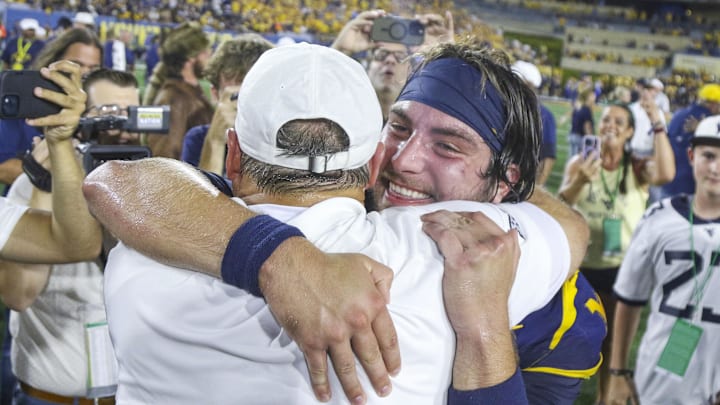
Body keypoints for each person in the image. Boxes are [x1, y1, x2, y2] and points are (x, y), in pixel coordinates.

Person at [90, 42, 575, 405]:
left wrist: (266, 251)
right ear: (374, 159)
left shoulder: (142, 248)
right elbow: (570, 226)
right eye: (399, 128)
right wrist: (277, 257)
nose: (405, 161)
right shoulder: (443, 259)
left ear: (233, 154)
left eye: (448, 146)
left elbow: (124, 183)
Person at [1, 68, 141, 405]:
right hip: (52, 396)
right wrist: (45, 185)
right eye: (109, 115)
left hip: (130, 395)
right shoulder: (33, 183)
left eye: (131, 114)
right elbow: (20, 294)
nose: (122, 129)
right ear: (79, 118)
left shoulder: (152, 185)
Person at [558, 103, 675, 404]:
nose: (610, 124)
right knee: (571, 339)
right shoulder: (579, 163)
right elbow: (559, 206)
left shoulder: (636, 166)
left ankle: (604, 397)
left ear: (630, 132)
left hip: (620, 271)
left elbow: (665, 173)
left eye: (619, 121)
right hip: (582, 269)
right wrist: (580, 180)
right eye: (606, 119)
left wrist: (657, 124)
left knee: (611, 344)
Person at [607, 114, 720, 405]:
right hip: (664, 366)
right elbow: (630, 299)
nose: (716, 168)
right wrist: (618, 372)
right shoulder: (659, 218)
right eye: (709, 156)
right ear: (692, 156)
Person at [0, 28, 102, 187]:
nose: (84, 73)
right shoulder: (27, 102)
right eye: (76, 64)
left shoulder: (103, 111)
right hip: (29, 207)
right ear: (53, 62)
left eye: (93, 68)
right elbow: (3, 168)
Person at [180, 35, 274, 174]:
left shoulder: (287, 140)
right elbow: (201, 196)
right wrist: (215, 141)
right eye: (237, 96)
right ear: (215, 95)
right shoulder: (199, 139)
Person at [143, 22, 214, 159]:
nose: (209, 57)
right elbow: (164, 158)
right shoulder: (174, 99)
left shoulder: (189, 92)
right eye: (205, 52)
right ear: (190, 58)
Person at [653, 84, 720, 202]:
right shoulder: (713, 122)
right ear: (713, 103)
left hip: (670, 181)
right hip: (694, 186)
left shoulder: (679, 114)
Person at [512, 60, 556, 186]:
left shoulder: (543, 115)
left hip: (524, 186)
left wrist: (534, 190)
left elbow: (547, 158)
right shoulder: (508, 108)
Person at [568, 87, 596, 157]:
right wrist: (591, 140)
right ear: (588, 97)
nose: (594, 97)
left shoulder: (580, 107)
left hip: (573, 135)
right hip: (580, 138)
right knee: (578, 160)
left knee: (572, 159)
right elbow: (587, 126)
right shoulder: (586, 109)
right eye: (592, 95)